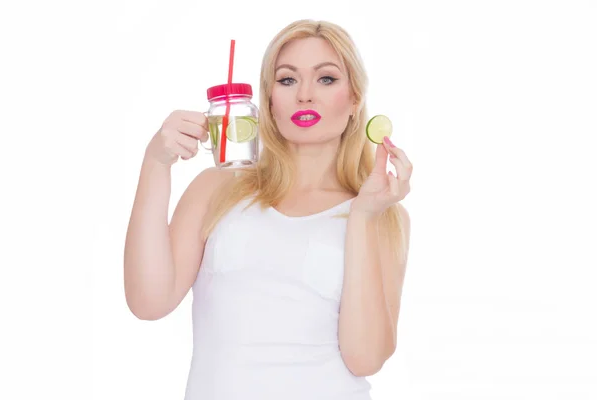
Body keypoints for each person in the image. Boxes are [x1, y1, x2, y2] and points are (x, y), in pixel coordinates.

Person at [124, 19, 413, 400]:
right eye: (287, 80)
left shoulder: (381, 213)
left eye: (326, 79)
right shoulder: (218, 188)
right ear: (268, 99)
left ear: (354, 100)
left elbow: (365, 358)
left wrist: (361, 216)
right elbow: (148, 301)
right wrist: (156, 162)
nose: (305, 95)